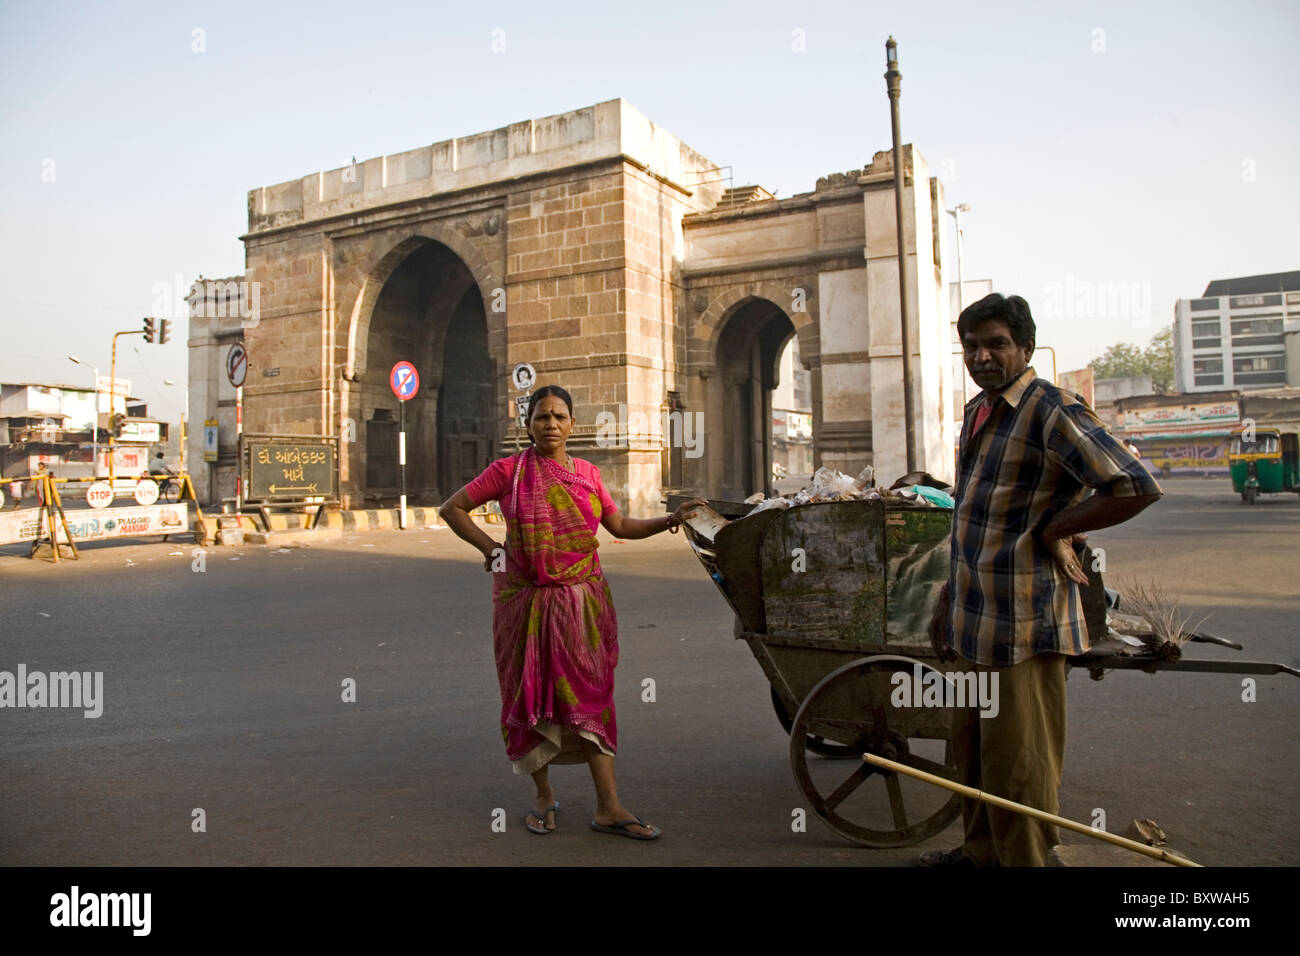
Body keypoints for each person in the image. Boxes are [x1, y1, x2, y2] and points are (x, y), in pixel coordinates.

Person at [924, 293, 1162, 867]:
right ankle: (979, 854)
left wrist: (1058, 525)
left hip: (1024, 624)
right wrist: (947, 599)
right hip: (973, 621)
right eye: (972, 346)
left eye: (996, 344)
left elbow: (1133, 484)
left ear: (1025, 348)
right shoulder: (979, 411)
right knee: (974, 758)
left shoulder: (1050, 407)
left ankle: (1026, 861)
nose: (982, 356)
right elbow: (973, 516)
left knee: (1019, 770)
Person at [439, 385, 703, 840]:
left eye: (560, 417)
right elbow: (453, 508)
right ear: (528, 425)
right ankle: (543, 797)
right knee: (530, 697)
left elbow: (619, 526)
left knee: (592, 698)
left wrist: (669, 519)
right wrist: (492, 551)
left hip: (582, 605)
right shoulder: (508, 471)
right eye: (542, 417)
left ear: (573, 425)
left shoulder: (587, 475)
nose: (551, 424)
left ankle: (609, 807)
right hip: (523, 605)